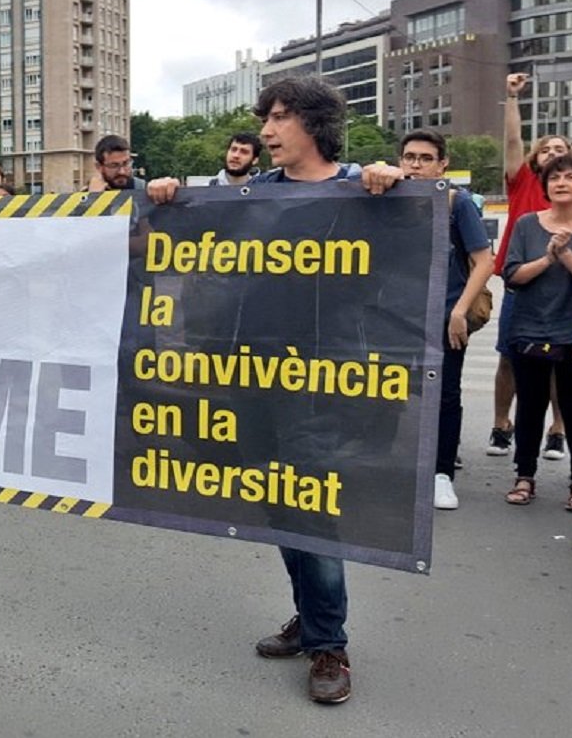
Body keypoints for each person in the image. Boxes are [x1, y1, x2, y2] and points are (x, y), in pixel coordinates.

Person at [147, 77, 402, 705]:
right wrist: (169, 197)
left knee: (311, 502)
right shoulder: (256, 195)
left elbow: (410, 232)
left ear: (315, 123)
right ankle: (309, 617)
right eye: (265, 118)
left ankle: (329, 643)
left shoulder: (357, 190)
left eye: (281, 117)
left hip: (317, 379)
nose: (266, 130)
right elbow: (203, 237)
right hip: (254, 374)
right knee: (278, 497)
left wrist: (392, 181)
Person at [394, 131, 494, 509]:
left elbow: (485, 261)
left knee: (445, 395)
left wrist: (458, 311)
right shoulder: (391, 200)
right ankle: (397, 467)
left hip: (445, 313)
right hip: (399, 316)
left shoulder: (458, 203)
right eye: (409, 157)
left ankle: (441, 474)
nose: (416, 165)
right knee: (394, 391)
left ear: (442, 164)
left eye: (425, 158)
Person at [501, 154, 572, 514]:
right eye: (553, 177)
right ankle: (524, 476)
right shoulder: (528, 224)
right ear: (544, 186)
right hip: (529, 326)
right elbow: (511, 275)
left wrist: (566, 254)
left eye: (570, 177)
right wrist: (546, 258)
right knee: (530, 404)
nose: (560, 183)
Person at [490, 73, 569, 460]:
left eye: (561, 149)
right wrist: (511, 97)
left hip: (563, 285)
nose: (553, 153)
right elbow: (511, 141)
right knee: (509, 355)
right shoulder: (522, 181)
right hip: (520, 282)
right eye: (547, 149)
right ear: (534, 158)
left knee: (558, 361)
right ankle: (501, 425)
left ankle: (557, 430)